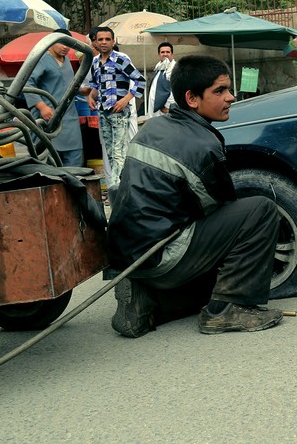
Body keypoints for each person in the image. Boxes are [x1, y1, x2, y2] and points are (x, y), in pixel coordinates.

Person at [106, 54, 283, 338]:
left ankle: (148, 303)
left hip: (131, 255)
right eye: (220, 91)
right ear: (192, 98)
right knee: (259, 210)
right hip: (164, 254)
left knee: (214, 273)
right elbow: (220, 208)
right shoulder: (202, 144)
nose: (231, 97)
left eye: (228, 89)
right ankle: (226, 311)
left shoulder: (153, 126)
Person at [81, 26, 144, 192]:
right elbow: (96, 86)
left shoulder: (120, 59)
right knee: (109, 153)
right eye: (100, 39)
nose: (103, 42)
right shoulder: (95, 62)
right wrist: (90, 97)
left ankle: (119, 189)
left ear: (113, 41)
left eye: (107, 39)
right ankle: (117, 187)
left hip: (119, 112)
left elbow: (140, 81)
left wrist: (126, 100)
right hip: (103, 112)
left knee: (119, 152)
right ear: (95, 42)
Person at [24, 28, 84, 167]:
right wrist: (42, 106)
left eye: (68, 44)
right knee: (49, 158)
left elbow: (66, 84)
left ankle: (72, 187)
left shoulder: (67, 60)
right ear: (51, 42)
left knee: (75, 157)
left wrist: (82, 91)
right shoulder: (41, 59)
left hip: (69, 117)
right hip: (47, 116)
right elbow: (27, 83)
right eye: (61, 43)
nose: (65, 47)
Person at [143, 41, 176, 120]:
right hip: (154, 109)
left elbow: (176, 89)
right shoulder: (158, 67)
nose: (165, 54)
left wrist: (168, 106)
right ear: (159, 55)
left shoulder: (175, 69)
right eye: (162, 52)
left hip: (165, 111)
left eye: (168, 52)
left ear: (172, 54)